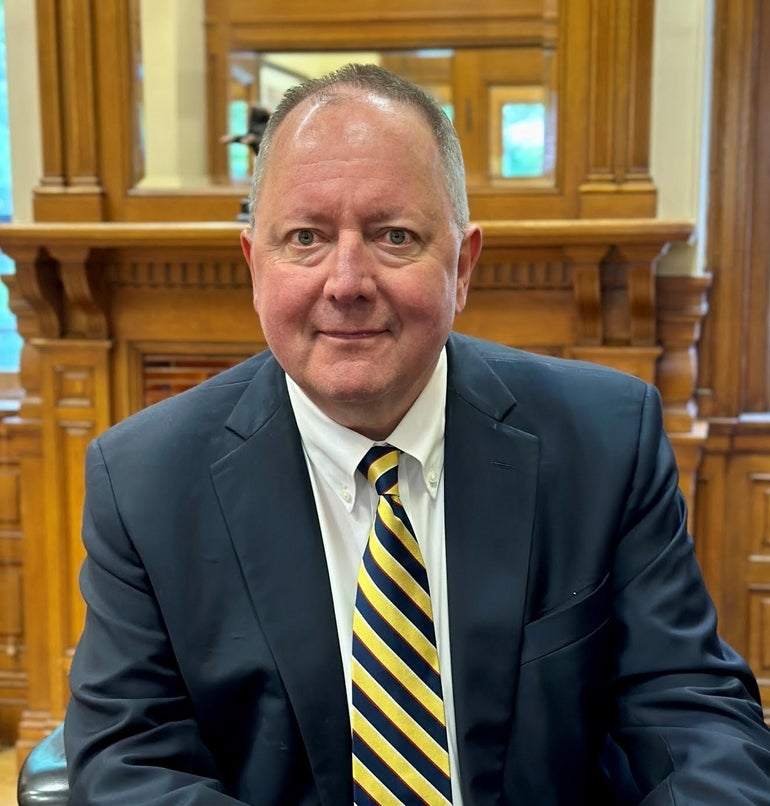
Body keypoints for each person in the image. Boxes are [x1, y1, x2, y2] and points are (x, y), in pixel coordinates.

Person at [63, 63, 770, 805]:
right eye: (305, 238)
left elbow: (693, 714)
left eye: (393, 235)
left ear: (462, 265)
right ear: (253, 265)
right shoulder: (144, 480)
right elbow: (129, 765)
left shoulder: (605, 441)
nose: (345, 282)